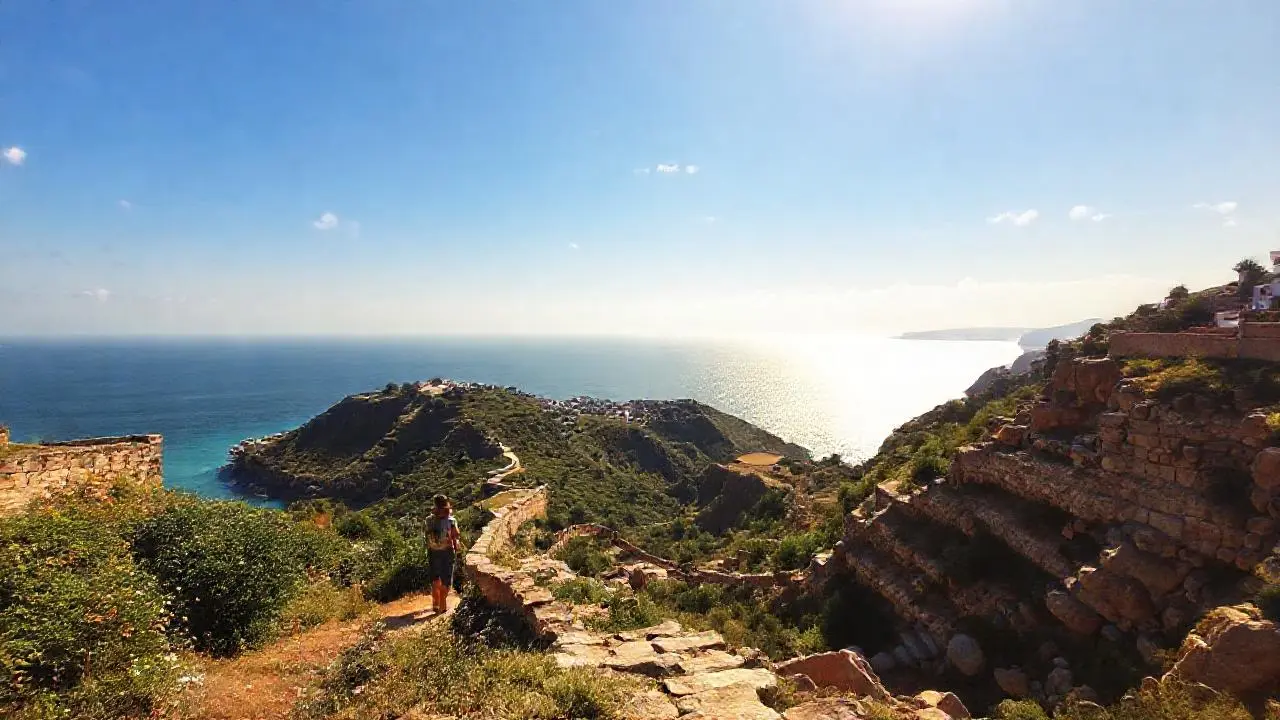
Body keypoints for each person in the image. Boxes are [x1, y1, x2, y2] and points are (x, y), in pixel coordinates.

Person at [426, 494, 460, 613]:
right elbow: (456, 535)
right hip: (447, 552)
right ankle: (442, 605)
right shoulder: (451, 520)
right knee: (446, 578)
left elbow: (426, 534)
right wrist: (457, 547)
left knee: (435, 578)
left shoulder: (429, 520)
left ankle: (435, 604)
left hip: (433, 551)